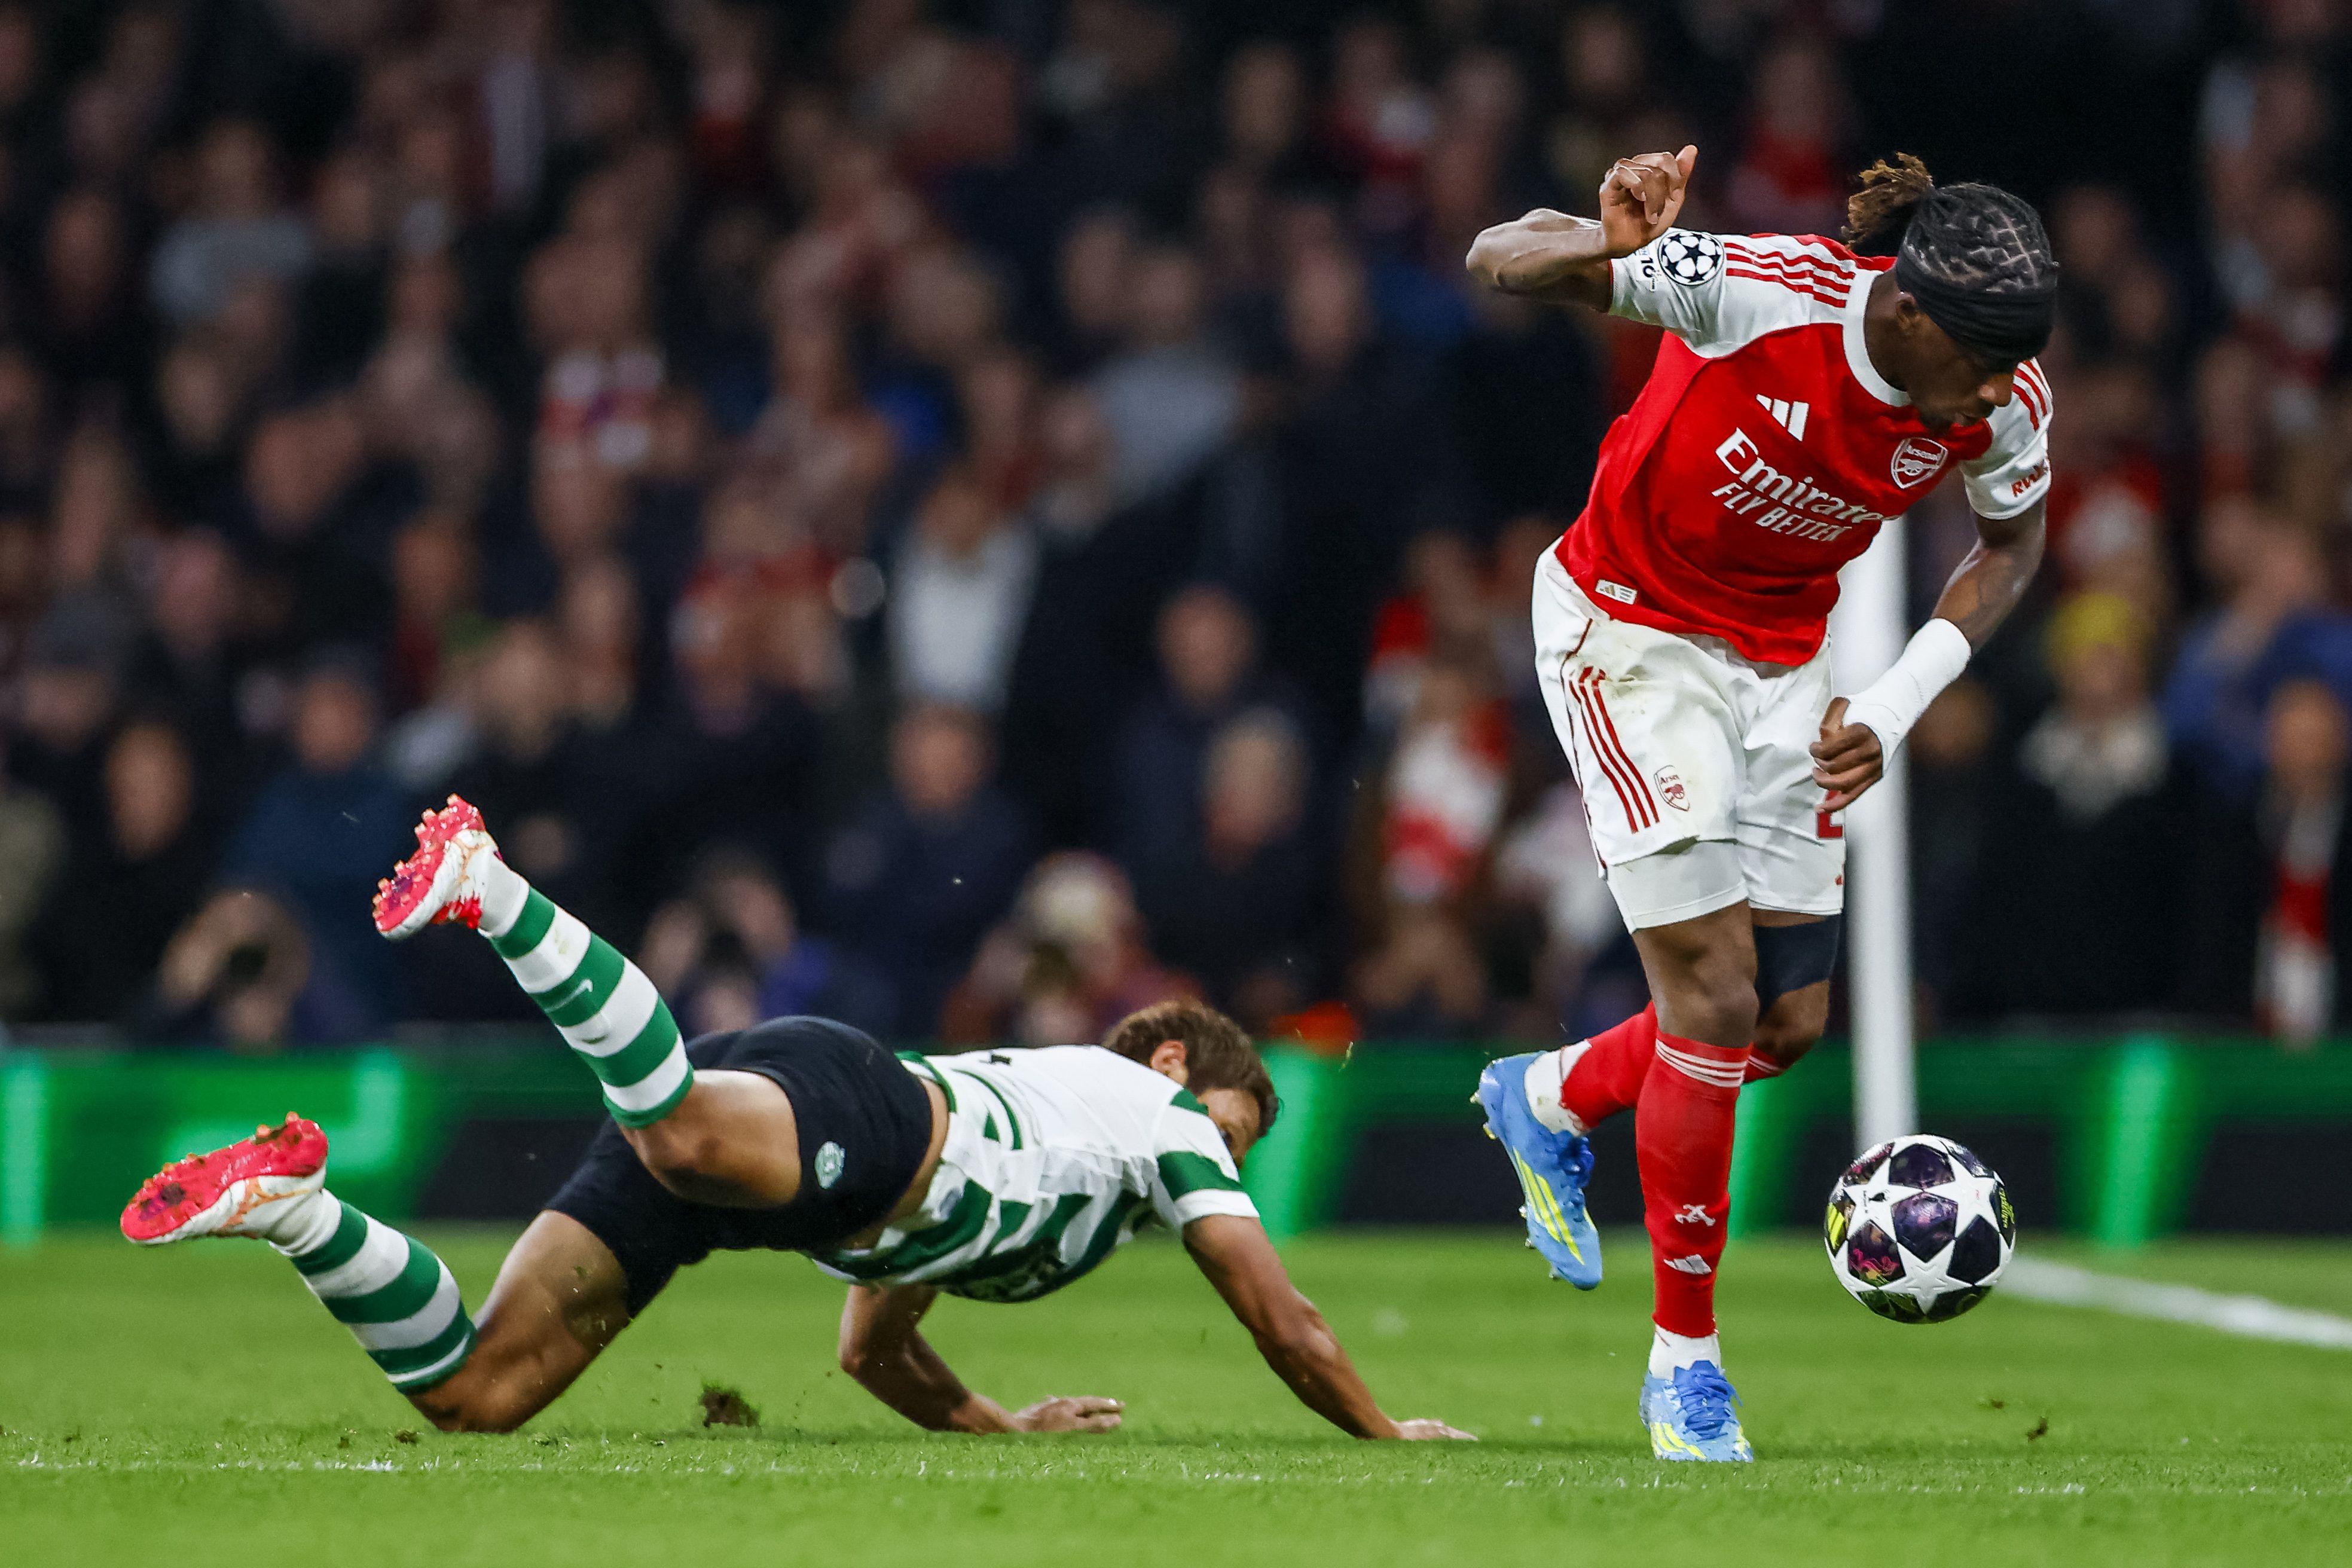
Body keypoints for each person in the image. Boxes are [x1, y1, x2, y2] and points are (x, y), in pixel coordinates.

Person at [121, 797, 1468, 1445]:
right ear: (1179, 1062)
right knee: (681, 1135)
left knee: (479, 1392)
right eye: (1234, 1132)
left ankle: (293, 1202)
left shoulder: (1074, 1160)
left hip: (805, 1177)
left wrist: (996, 1426)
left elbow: (873, 1349)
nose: (1225, 1165)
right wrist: (1385, 1431)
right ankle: (489, 884)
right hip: (858, 1110)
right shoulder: (1152, 1111)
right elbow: (1278, 1319)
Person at [1463, 148, 2055, 1459]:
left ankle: (1550, 1093)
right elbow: (1491, 259)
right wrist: (1599, 244)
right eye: (1968, 371)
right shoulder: (1754, 291)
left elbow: (2008, 547)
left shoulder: (1997, 392)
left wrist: (1888, 706)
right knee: (1712, 1000)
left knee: (1780, 1022)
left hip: (1789, 661)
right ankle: (1683, 1369)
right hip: (1628, 635)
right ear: (1904, 313)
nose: (1981, 405)